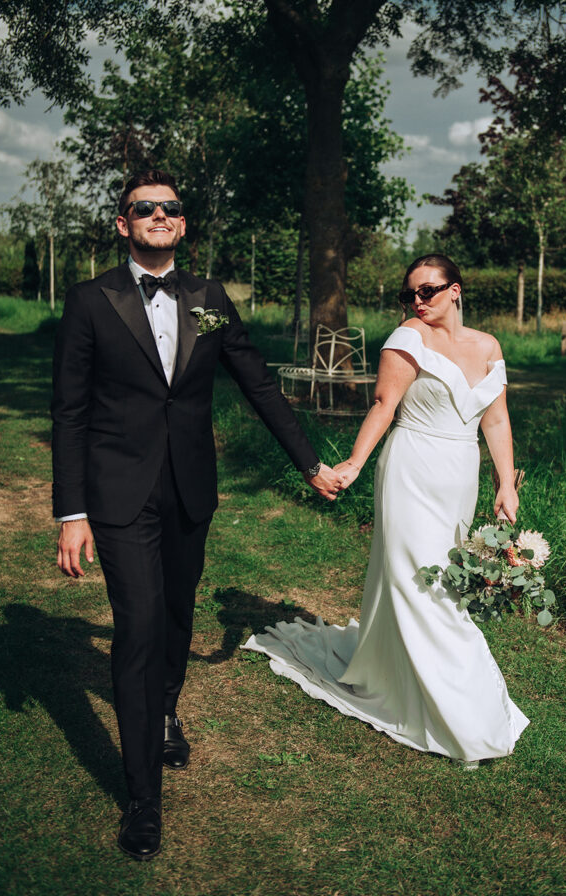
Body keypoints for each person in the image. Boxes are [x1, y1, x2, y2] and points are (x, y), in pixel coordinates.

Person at [51, 169, 342, 860]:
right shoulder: (92, 300)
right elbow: (69, 410)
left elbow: (256, 382)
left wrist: (308, 461)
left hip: (189, 490)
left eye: (170, 208)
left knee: (177, 615)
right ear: (122, 224)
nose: (158, 215)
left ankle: (164, 713)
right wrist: (72, 509)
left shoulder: (209, 299)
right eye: (143, 208)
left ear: (182, 225)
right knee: (141, 626)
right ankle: (143, 801)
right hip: (118, 494)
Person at [244, 254, 529, 766]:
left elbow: (497, 421)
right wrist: (353, 463)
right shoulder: (407, 339)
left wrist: (506, 483)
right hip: (411, 472)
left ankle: (403, 673)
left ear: (456, 290)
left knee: (444, 581)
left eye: (428, 292)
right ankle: (464, 710)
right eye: (410, 295)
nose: (417, 302)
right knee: (417, 582)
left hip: (459, 477)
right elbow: (383, 406)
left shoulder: (488, 346)